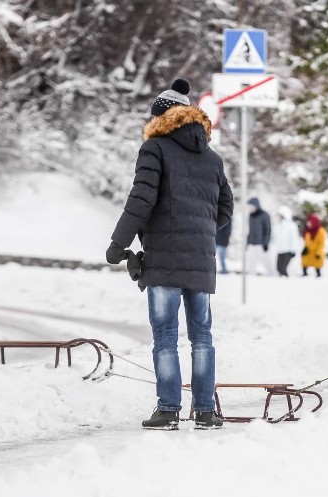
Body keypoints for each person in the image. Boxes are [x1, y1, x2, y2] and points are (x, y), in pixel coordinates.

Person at [105, 78, 233, 431]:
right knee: (202, 337)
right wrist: (204, 230)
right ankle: (206, 410)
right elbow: (226, 208)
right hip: (201, 261)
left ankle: (169, 408)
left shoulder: (154, 150)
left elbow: (141, 200)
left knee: (165, 336)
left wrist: (119, 244)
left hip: (163, 259)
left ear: (161, 117)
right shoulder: (212, 158)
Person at [246, 197, 273, 275]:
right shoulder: (250, 216)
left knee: (266, 262)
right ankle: (251, 278)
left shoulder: (264, 215)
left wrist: (266, 243)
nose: (250, 208)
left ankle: (273, 276)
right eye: (249, 207)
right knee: (251, 263)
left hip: (261, 244)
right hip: (252, 243)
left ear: (256, 206)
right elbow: (250, 230)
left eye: (251, 206)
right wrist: (247, 242)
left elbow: (268, 230)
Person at [273, 206, 299, 277]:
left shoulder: (292, 226)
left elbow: (294, 239)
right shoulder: (278, 226)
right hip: (280, 250)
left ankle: (286, 283)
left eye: (281, 215)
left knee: (283, 269)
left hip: (288, 251)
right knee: (278, 268)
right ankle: (281, 282)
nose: (279, 217)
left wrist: (293, 250)